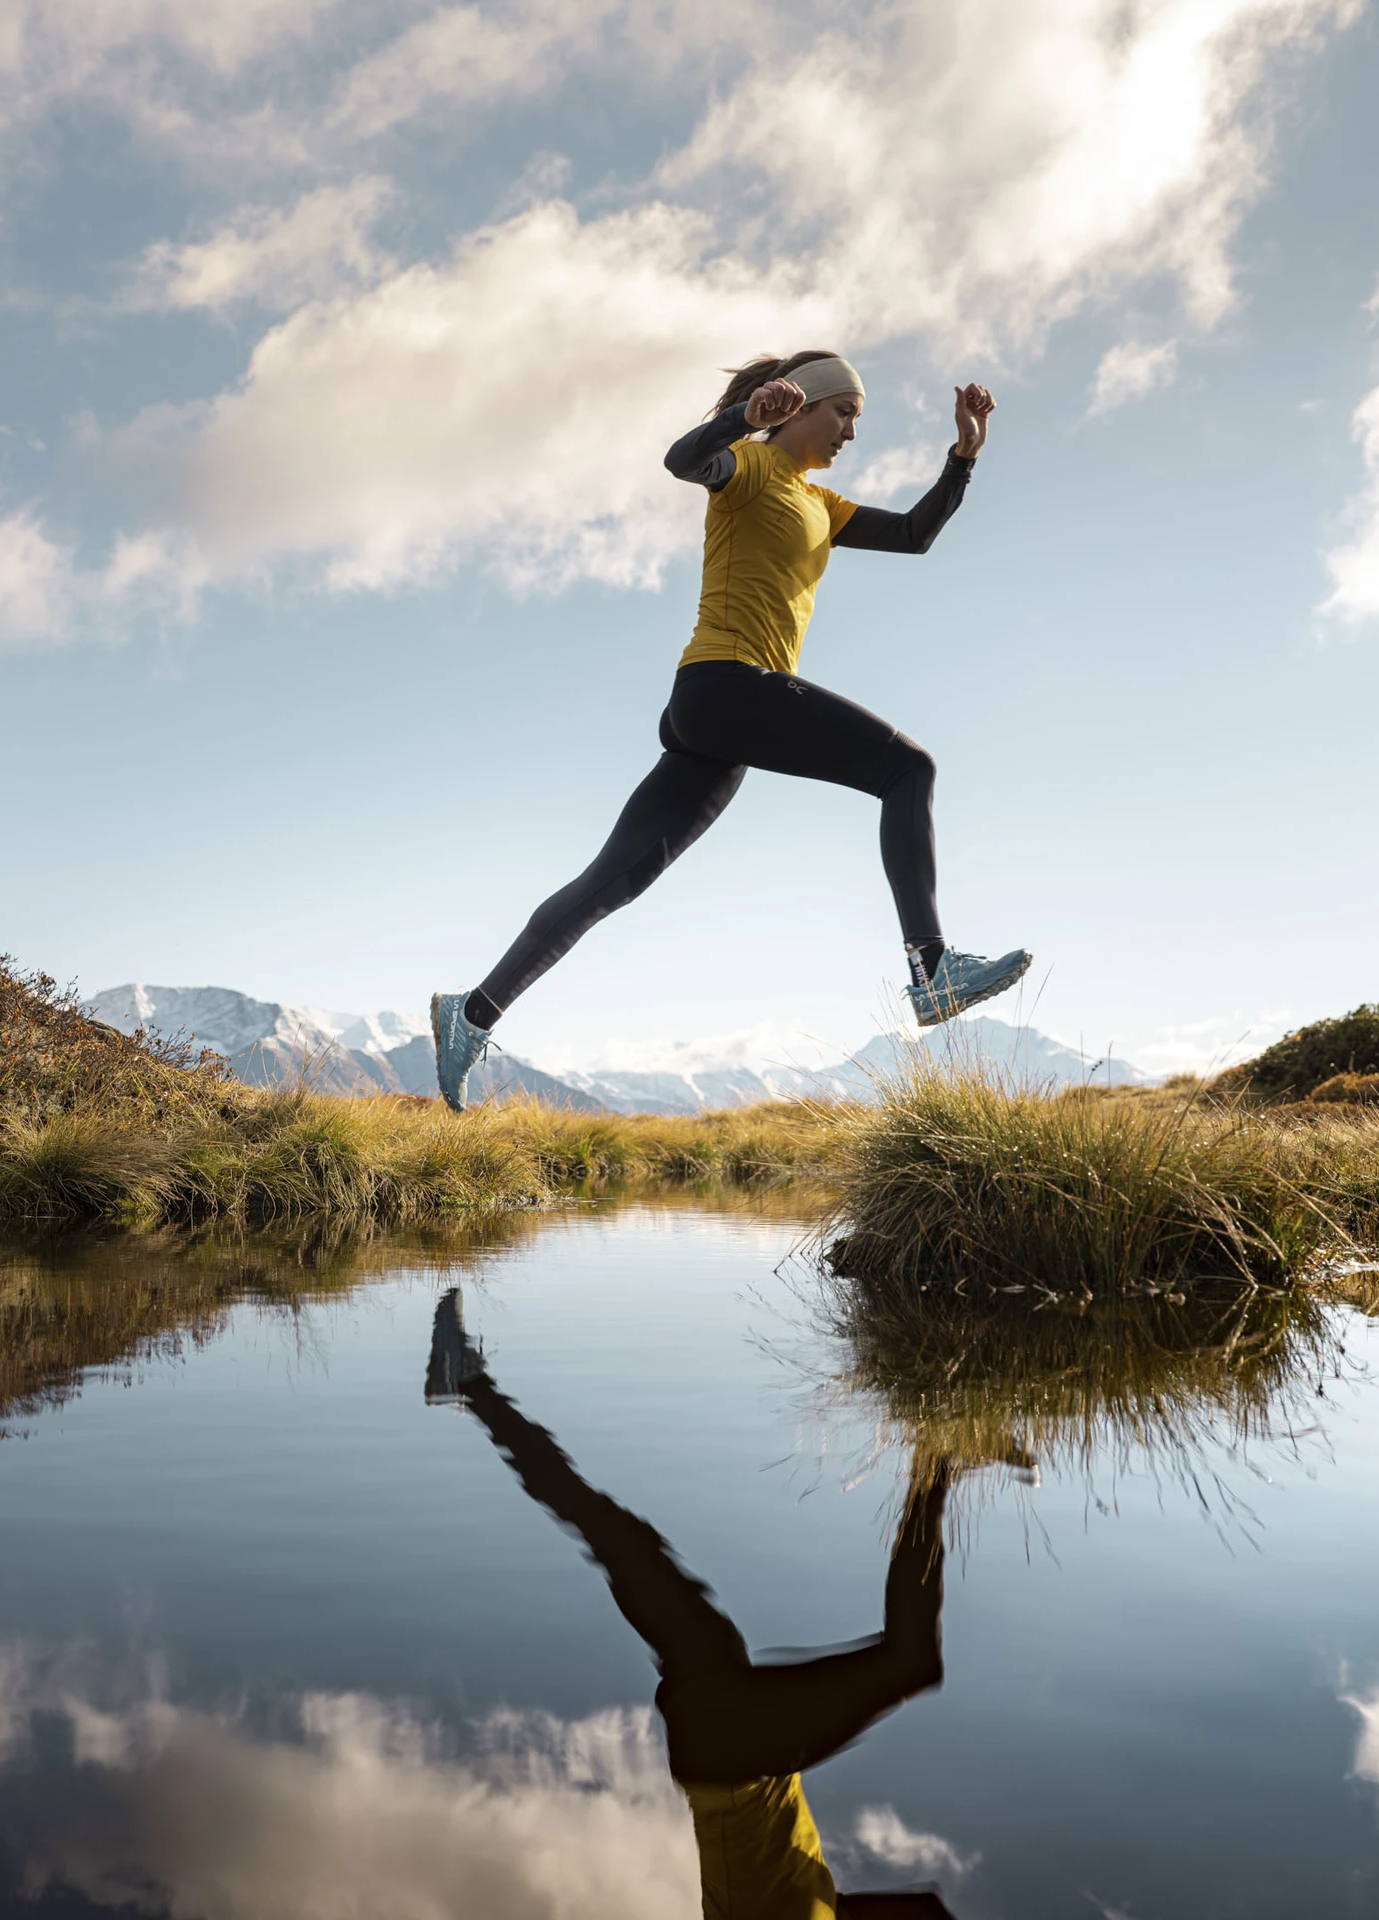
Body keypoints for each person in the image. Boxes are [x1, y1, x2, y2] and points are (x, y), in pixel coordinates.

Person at [428, 349, 1031, 1110]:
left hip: (719, 719)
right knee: (908, 770)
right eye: (842, 410)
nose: (851, 429)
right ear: (803, 407)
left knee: (612, 883)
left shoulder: (824, 505)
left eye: (856, 417)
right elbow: (683, 461)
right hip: (729, 686)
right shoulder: (745, 468)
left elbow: (915, 534)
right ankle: (932, 968)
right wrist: (741, 418)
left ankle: (472, 1014)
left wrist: (964, 455)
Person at [427, 1290, 967, 1920]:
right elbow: (922, 1909)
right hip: (729, 1745)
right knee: (613, 1535)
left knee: (912, 1663)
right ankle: (466, 1383)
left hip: (737, 1751)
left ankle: (940, 1443)